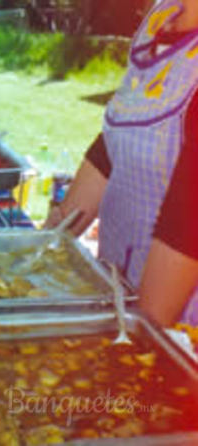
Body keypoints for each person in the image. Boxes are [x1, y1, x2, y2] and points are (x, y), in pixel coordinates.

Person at [45, 0, 198, 327]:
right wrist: (48, 245)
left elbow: (190, 220)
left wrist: (139, 333)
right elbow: (119, 134)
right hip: (122, 288)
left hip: (177, 323)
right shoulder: (161, 16)